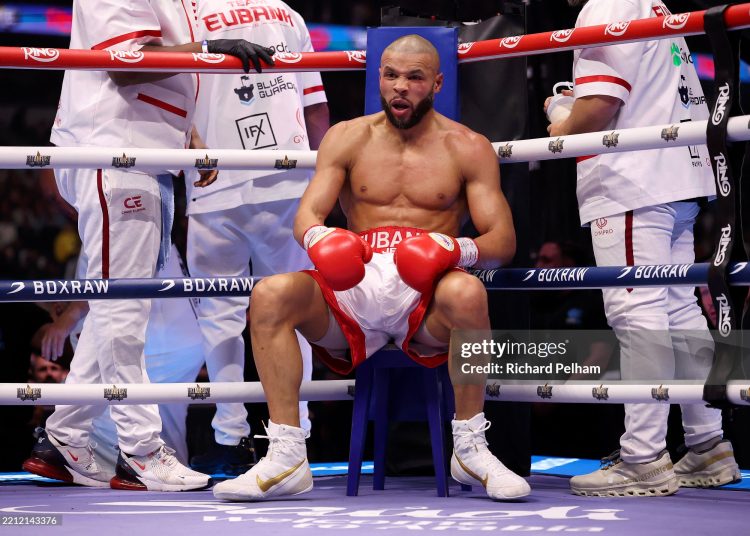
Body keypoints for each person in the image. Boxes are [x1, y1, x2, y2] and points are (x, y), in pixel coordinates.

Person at [212, 34, 530, 502]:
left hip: (424, 300)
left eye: (415, 77)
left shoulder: (467, 147)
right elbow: (307, 216)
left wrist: (451, 249)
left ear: (437, 83)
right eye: (391, 75)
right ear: (378, 76)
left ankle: (470, 447)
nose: (400, 86)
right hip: (353, 286)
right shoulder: (347, 137)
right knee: (270, 294)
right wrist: (321, 239)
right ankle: (287, 455)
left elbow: (503, 241)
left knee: (469, 294)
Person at [22, 0, 274, 491]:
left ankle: (63, 436)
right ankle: (141, 450)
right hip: (118, 152)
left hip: (145, 152)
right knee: (124, 306)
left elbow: (156, 66)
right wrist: (207, 49)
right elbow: (125, 64)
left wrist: (189, 135)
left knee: (119, 303)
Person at [546, 0, 740, 496]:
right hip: (676, 178)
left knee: (638, 314)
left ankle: (644, 458)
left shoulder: (602, 7)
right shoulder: (651, 2)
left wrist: (558, 119)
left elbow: (597, 110)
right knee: (679, 310)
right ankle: (707, 446)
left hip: (632, 181)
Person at [186, 0, 329, 475]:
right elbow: (316, 107)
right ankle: (298, 433)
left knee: (219, 314)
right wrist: (324, 182)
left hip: (214, 180)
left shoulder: (189, 12)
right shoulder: (288, 12)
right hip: (285, 178)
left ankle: (231, 439)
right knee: (293, 309)